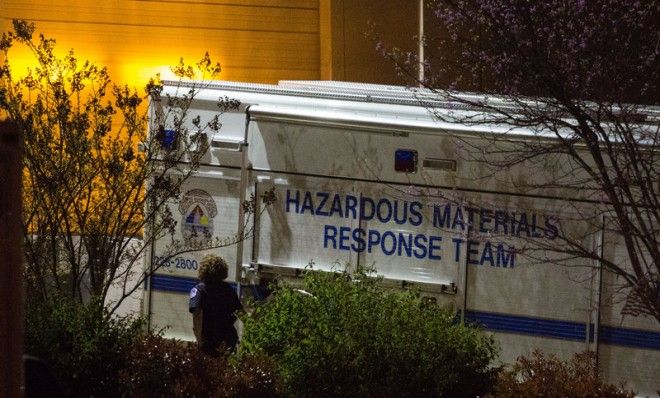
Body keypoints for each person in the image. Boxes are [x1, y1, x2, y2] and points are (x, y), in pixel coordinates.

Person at [189, 254, 243, 356]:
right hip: (228, 339)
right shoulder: (229, 290)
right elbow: (240, 313)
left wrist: (199, 340)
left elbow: (197, 315)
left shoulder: (198, 290)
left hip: (208, 340)